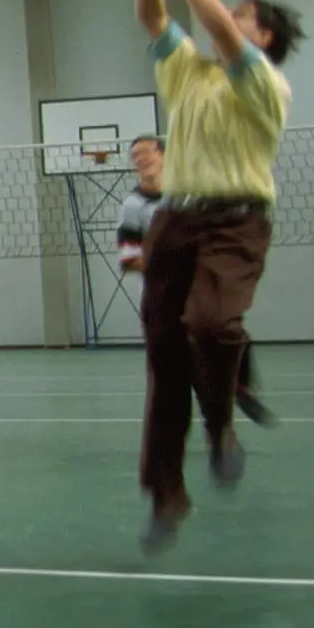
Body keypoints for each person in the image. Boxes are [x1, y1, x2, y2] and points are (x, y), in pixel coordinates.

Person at [116, 0, 301, 555]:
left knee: (215, 325)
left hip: (235, 223)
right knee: (165, 365)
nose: (228, 15)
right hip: (176, 222)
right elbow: (155, 18)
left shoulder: (264, 84)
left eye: (244, 14)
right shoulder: (189, 72)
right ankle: (164, 496)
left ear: (264, 38)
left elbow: (217, 25)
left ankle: (222, 426)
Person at [117, 136, 273, 429]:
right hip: (162, 292)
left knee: (229, 331)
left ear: (164, 156)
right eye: (135, 156)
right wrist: (163, 265)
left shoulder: (189, 195)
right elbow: (128, 258)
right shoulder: (133, 205)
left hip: (198, 284)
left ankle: (241, 389)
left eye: (147, 153)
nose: (141, 159)